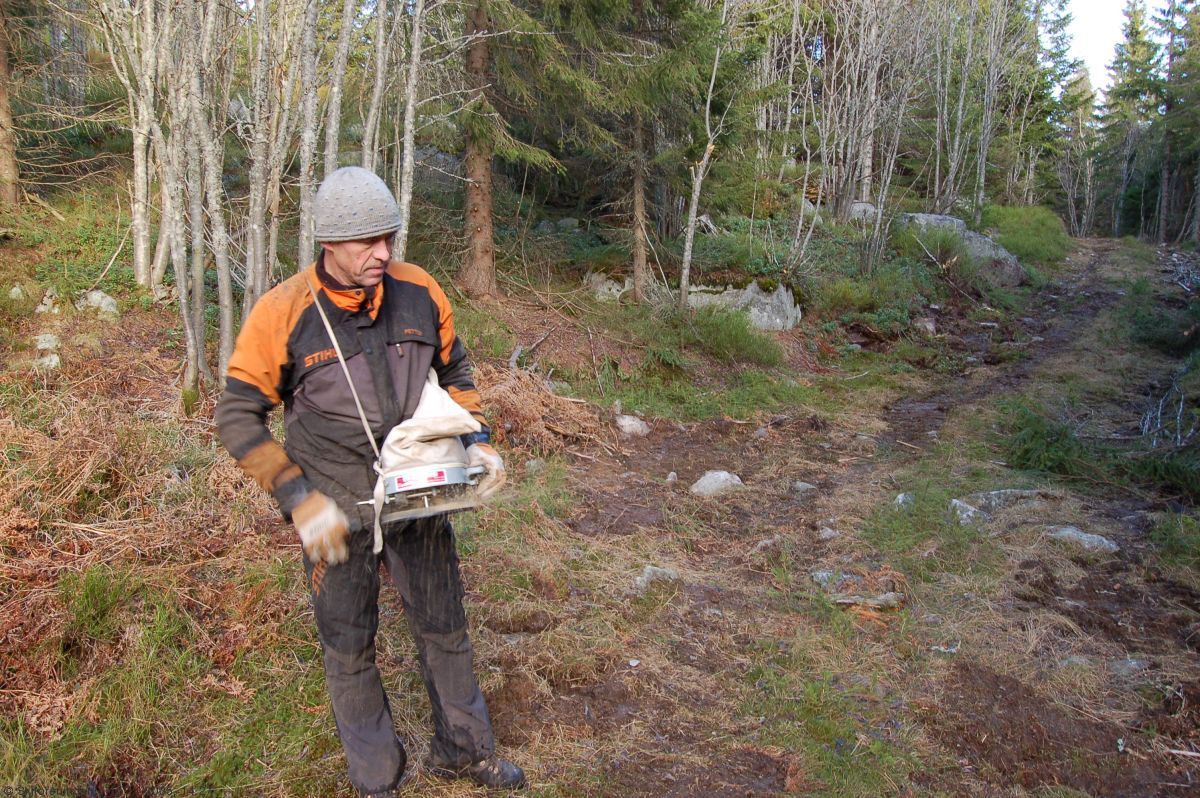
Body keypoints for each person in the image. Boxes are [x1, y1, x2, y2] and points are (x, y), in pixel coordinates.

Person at [214, 166, 526, 796]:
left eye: (390, 237)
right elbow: (236, 416)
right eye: (368, 242)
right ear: (330, 243)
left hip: (417, 493)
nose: (384, 252)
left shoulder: (418, 291)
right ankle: (377, 778)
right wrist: (298, 499)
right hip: (333, 506)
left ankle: (463, 751)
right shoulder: (283, 311)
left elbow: (456, 369)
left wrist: (476, 439)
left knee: (445, 626)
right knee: (349, 643)